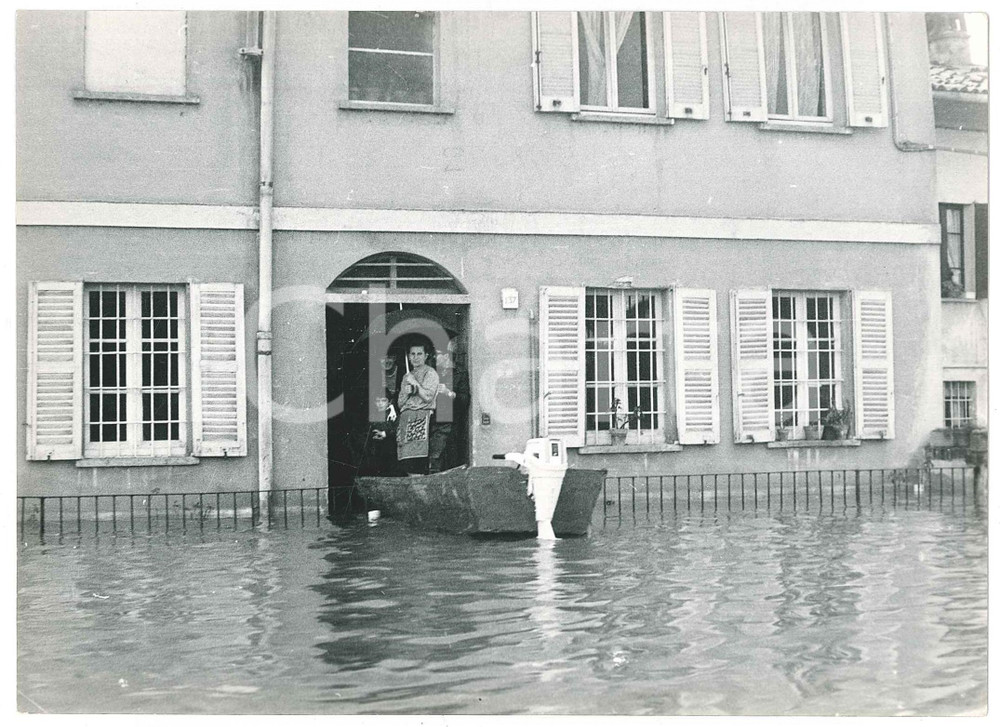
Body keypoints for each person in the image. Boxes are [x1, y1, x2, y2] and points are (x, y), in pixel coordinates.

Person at [395, 341, 440, 474]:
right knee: (406, 463)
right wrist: (407, 392)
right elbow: (400, 403)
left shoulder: (430, 373)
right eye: (412, 354)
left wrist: (416, 385)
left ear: (426, 356)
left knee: (418, 462)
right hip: (405, 420)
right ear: (408, 356)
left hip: (421, 418)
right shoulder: (406, 376)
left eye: (419, 354)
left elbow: (427, 397)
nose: (415, 357)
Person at [428, 337, 470, 473]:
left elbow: (465, 399)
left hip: (451, 423)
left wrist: (449, 393)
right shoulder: (432, 373)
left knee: (449, 460)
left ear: (446, 356)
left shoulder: (460, 372)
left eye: (438, 354)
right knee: (434, 459)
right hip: (433, 421)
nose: (435, 357)